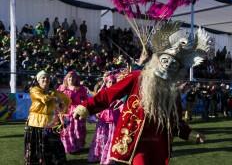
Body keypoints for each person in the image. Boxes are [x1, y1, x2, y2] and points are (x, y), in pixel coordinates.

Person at [73, 24, 210, 165]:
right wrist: (87, 107)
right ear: (157, 60)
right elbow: (109, 94)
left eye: (174, 64)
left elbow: (175, 123)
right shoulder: (137, 77)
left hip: (158, 145)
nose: (168, 65)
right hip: (133, 141)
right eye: (165, 60)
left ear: (178, 70)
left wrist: (190, 134)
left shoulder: (172, 92)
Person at [24, 70, 70, 165]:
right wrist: (54, 96)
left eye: (47, 77)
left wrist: (62, 105)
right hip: (36, 123)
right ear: (38, 80)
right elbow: (44, 99)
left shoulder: (54, 91)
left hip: (51, 122)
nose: (46, 79)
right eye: (43, 78)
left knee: (54, 145)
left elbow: (67, 100)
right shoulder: (34, 90)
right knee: (38, 145)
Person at [88, 74, 122, 164]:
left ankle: (109, 157)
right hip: (103, 118)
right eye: (109, 82)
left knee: (112, 137)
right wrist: (98, 112)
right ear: (106, 83)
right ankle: (98, 155)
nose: (111, 83)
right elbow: (96, 102)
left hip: (114, 118)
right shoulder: (102, 91)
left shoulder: (119, 92)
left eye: (113, 82)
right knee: (101, 137)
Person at [57, 71, 88, 154]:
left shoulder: (81, 88)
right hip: (66, 112)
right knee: (67, 130)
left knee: (78, 129)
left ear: (76, 79)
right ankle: (69, 147)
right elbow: (58, 101)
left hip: (77, 112)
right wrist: (60, 112)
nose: (71, 79)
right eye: (69, 77)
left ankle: (78, 146)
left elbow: (85, 100)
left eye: (73, 77)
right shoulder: (62, 88)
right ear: (66, 78)